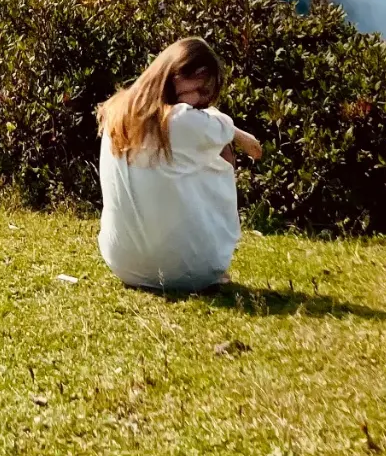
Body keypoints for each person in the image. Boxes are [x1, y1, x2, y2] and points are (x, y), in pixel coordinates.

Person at [96, 36, 262, 292]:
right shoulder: (182, 119)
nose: (197, 100)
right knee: (220, 152)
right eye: (197, 87)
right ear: (174, 73)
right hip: (186, 271)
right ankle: (209, 250)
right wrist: (239, 134)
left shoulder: (116, 110)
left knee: (185, 159)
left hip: (123, 263)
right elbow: (233, 135)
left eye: (204, 93)